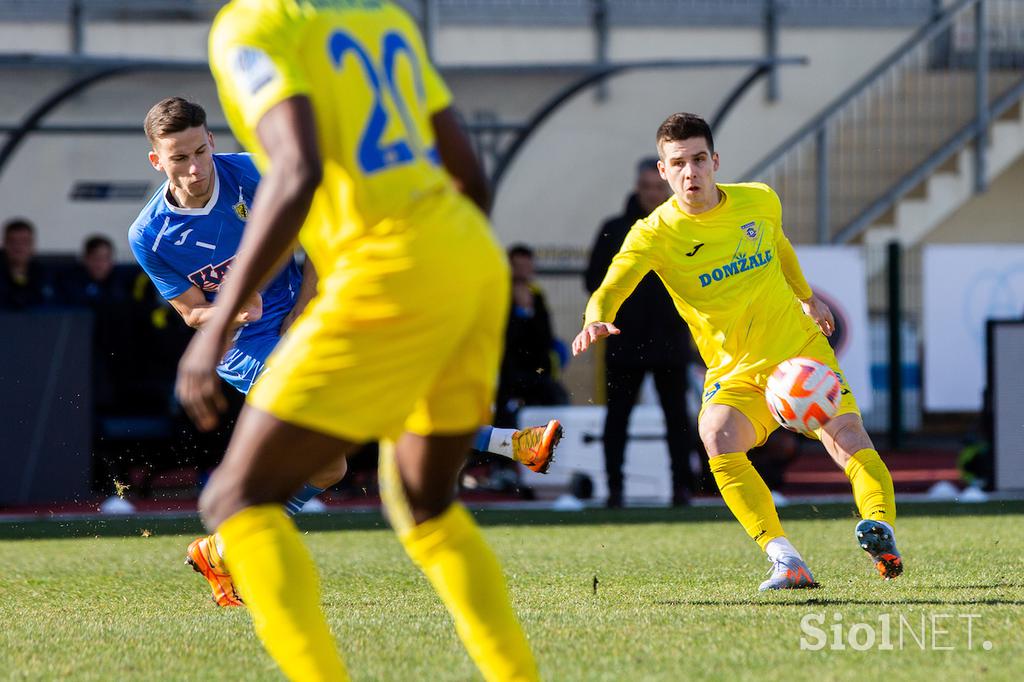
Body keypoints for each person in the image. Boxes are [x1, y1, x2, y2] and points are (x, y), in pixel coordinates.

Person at [176, 2, 541, 677]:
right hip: (468, 258)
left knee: (231, 501)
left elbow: (297, 168)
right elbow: (470, 172)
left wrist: (216, 325)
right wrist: (447, 275)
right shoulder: (381, 14)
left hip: (385, 271)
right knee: (423, 501)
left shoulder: (251, 25)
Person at [130, 97, 560, 610]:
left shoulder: (250, 173)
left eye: (200, 151)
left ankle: (221, 551)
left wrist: (303, 307)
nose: (195, 167)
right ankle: (513, 444)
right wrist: (227, 313)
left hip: (308, 319)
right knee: (357, 402)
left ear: (213, 141)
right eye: (180, 158)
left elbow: (316, 238)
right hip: (244, 349)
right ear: (158, 161)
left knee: (329, 467)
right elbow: (190, 313)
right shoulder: (149, 234)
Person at [573, 112, 902, 591]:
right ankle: (786, 559)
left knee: (849, 437)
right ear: (663, 171)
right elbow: (613, 282)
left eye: (699, 159)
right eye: (679, 163)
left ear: (715, 161)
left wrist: (806, 296)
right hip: (736, 372)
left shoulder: (759, 200)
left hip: (798, 353)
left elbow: (780, 245)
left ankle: (881, 529)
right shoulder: (653, 233)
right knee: (715, 435)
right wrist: (594, 316)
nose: (691, 172)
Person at [585, 158, 696, 508]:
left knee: (677, 419)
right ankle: (614, 489)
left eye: (657, 188)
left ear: (666, 187)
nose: (651, 194)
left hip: (670, 340)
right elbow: (593, 281)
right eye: (646, 187)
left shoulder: (681, 225)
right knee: (616, 419)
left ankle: (682, 488)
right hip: (625, 340)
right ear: (637, 188)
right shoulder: (613, 228)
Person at [496, 243, 569, 425]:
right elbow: (507, 339)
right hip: (509, 371)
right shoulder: (500, 296)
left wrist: (528, 311)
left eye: (526, 267)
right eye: (518, 268)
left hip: (536, 370)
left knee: (556, 396)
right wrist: (520, 311)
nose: (523, 273)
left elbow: (545, 338)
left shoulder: (536, 297)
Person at [0, 218, 53, 309]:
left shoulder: (43, 274)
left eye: (24, 242)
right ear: (4, 244)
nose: (18, 247)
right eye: (13, 242)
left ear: (33, 245)